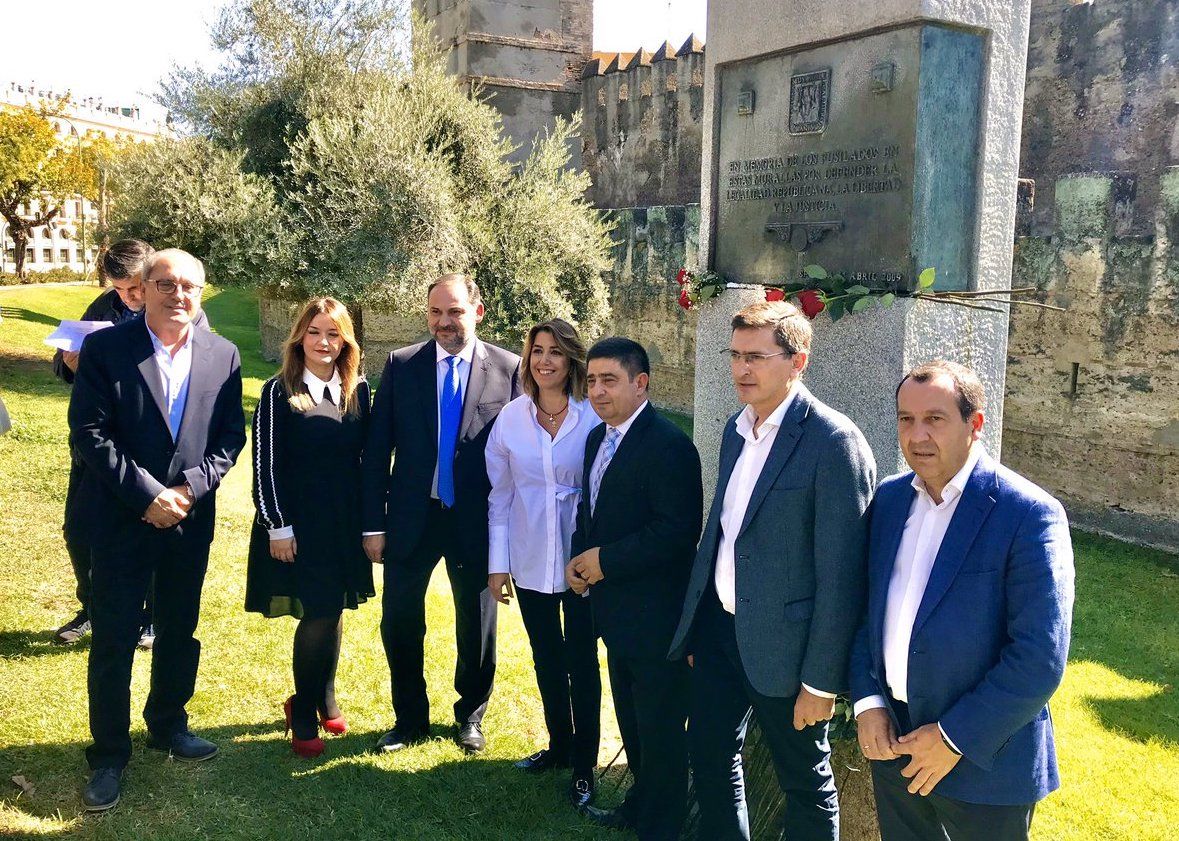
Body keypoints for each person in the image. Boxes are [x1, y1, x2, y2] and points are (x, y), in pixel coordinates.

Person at [668, 300, 876, 840]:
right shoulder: (736, 429)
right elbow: (724, 534)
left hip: (789, 650)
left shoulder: (834, 442)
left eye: (756, 357)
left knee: (804, 781)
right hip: (720, 634)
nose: (741, 369)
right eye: (735, 355)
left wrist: (821, 681)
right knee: (709, 756)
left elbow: (843, 577)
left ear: (797, 361)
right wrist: (700, 625)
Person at [849, 360, 1074, 841]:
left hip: (986, 758)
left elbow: (1039, 657)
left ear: (975, 424)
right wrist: (868, 702)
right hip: (895, 744)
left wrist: (953, 738)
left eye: (935, 419)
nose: (917, 436)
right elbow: (866, 614)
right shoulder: (888, 500)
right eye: (906, 419)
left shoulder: (1028, 513)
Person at [69, 249, 246, 812]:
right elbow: (89, 432)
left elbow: (230, 437)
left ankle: (168, 724)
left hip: (188, 522)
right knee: (114, 637)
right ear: (142, 288)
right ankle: (108, 755)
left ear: (201, 292)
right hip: (120, 519)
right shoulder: (106, 349)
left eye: (189, 285)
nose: (178, 294)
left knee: (179, 628)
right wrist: (148, 495)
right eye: (165, 284)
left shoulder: (222, 354)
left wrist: (189, 490)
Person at [362, 273, 521, 754]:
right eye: (435, 312)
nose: (444, 322)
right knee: (400, 620)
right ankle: (409, 719)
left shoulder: (509, 369)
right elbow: (377, 451)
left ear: (478, 311)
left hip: (475, 522)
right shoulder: (402, 364)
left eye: (454, 311)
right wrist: (373, 524)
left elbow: (519, 455)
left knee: (477, 625)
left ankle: (470, 716)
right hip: (413, 517)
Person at [566, 337, 704, 840]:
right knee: (632, 722)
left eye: (610, 380)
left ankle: (661, 827)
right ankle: (639, 805)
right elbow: (592, 511)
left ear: (640, 383)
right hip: (615, 615)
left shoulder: (669, 446)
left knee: (660, 731)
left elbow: (677, 531)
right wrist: (579, 559)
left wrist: (604, 561)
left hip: (657, 619)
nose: (597, 391)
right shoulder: (595, 439)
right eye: (592, 381)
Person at [53, 239, 210, 648]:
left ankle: (151, 617)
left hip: (154, 453)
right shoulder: (104, 307)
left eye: (135, 288)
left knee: (154, 533)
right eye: (119, 289)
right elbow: (66, 364)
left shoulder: (183, 310)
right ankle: (93, 608)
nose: (128, 297)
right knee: (80, 532)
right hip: (99, 451)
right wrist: (72, 365)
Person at [246, 297, 375, 759]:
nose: (324, 342)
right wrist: (276, 525)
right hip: (299, 526)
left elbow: (366, 461)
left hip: (345, 524)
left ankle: (325, 696)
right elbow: (264, 466)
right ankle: (301, 707)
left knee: (334, 608)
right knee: (319, 611)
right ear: (299, 336)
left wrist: (371, 523)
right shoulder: (277, 391)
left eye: (334, 333)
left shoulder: (358, 390)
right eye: (315, 332)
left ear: (346, 341)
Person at [485, 319, 601, 808]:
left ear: (570, 358)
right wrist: (497, 564)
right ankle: (558, 746)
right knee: (546, 657)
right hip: (529, 556)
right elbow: (500, 496)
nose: (544, 360)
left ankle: (584, 765)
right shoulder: (511, 418)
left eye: (555, 351)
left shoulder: (592, 416)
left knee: (582, 663)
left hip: (581, 563)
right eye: (537, 350)